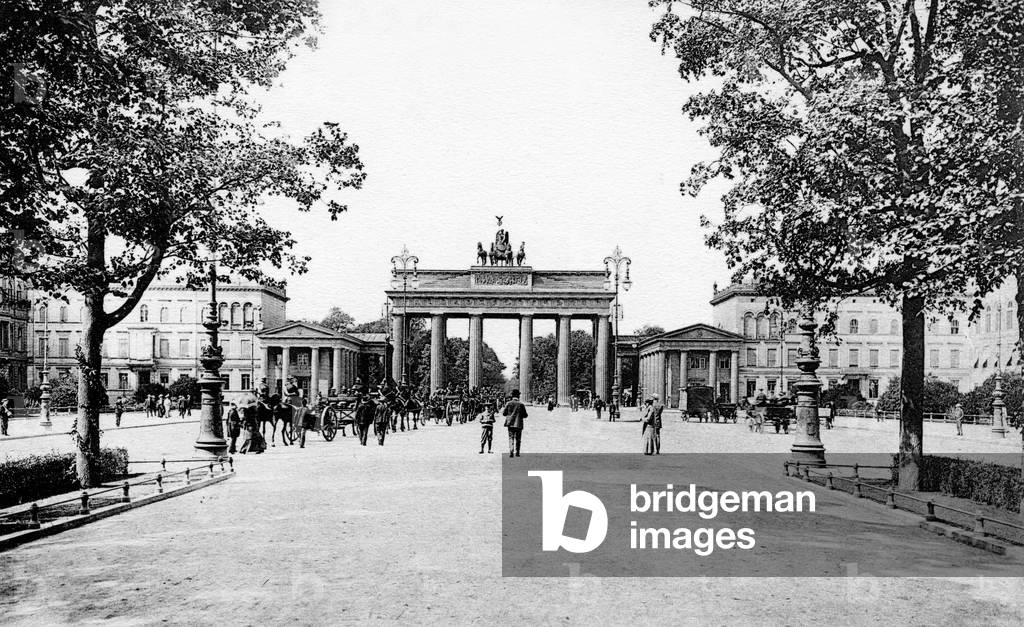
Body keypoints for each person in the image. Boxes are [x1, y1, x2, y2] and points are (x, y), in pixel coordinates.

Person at [502, 389, 528, 458]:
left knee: (511, 437)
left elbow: (504, 413)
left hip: (510, 424)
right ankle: (517, 452)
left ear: (512, 395)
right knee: (518, 439)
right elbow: (525, 415)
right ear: (518, 396)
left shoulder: (508, 403)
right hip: (519, 424)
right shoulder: (521, 404)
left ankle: (511, 451)